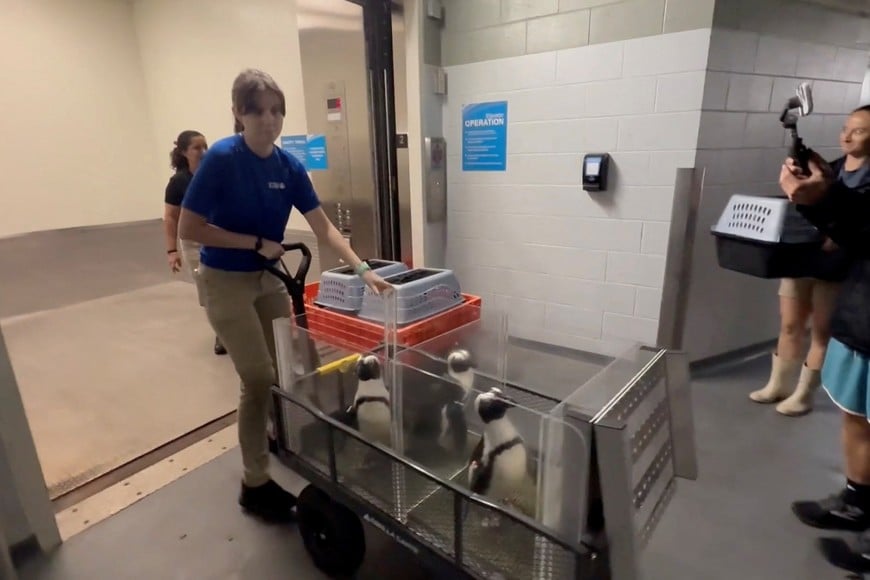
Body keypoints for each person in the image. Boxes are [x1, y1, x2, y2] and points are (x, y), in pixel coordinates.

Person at [178, 68, 392, 523]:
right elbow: (189, 228)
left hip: (268, 277)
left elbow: (324, 227)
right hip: (226, 280)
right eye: (257, 111)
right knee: (257, 377)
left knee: (294, 366)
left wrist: (361, 269)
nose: (269, 120)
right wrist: (254, 243)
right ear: (238, 112)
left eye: (276, 111)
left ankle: (283, 435)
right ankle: (254, 483)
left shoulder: (288, 166)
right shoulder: (222, 158)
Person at [778, 122, 870, 574]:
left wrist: (827, 200)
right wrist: (823, 196)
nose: (850, 136)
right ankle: (858, 503)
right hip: (865, 316)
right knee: (856, 417)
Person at [750, 106, 870, 416]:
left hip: (837, 267)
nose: (846, 135)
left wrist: (835, 224)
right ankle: (779, 384)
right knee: (790, 324)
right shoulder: (832, 168)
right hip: (802, 258)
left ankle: (804, 394)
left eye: (859, 130)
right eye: (846, 127)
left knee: (821, 331)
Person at [163, 130, 227, 356]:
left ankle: (233, 328)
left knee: (227, 287)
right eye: (197, 148)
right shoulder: (179, 182)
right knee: (208, 291)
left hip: (220, 237)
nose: (204, 151)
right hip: (194, 244)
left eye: (205, 146)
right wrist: (172, 251)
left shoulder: (214, 175)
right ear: (183, 152)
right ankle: (222, 334)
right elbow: (171, 218)